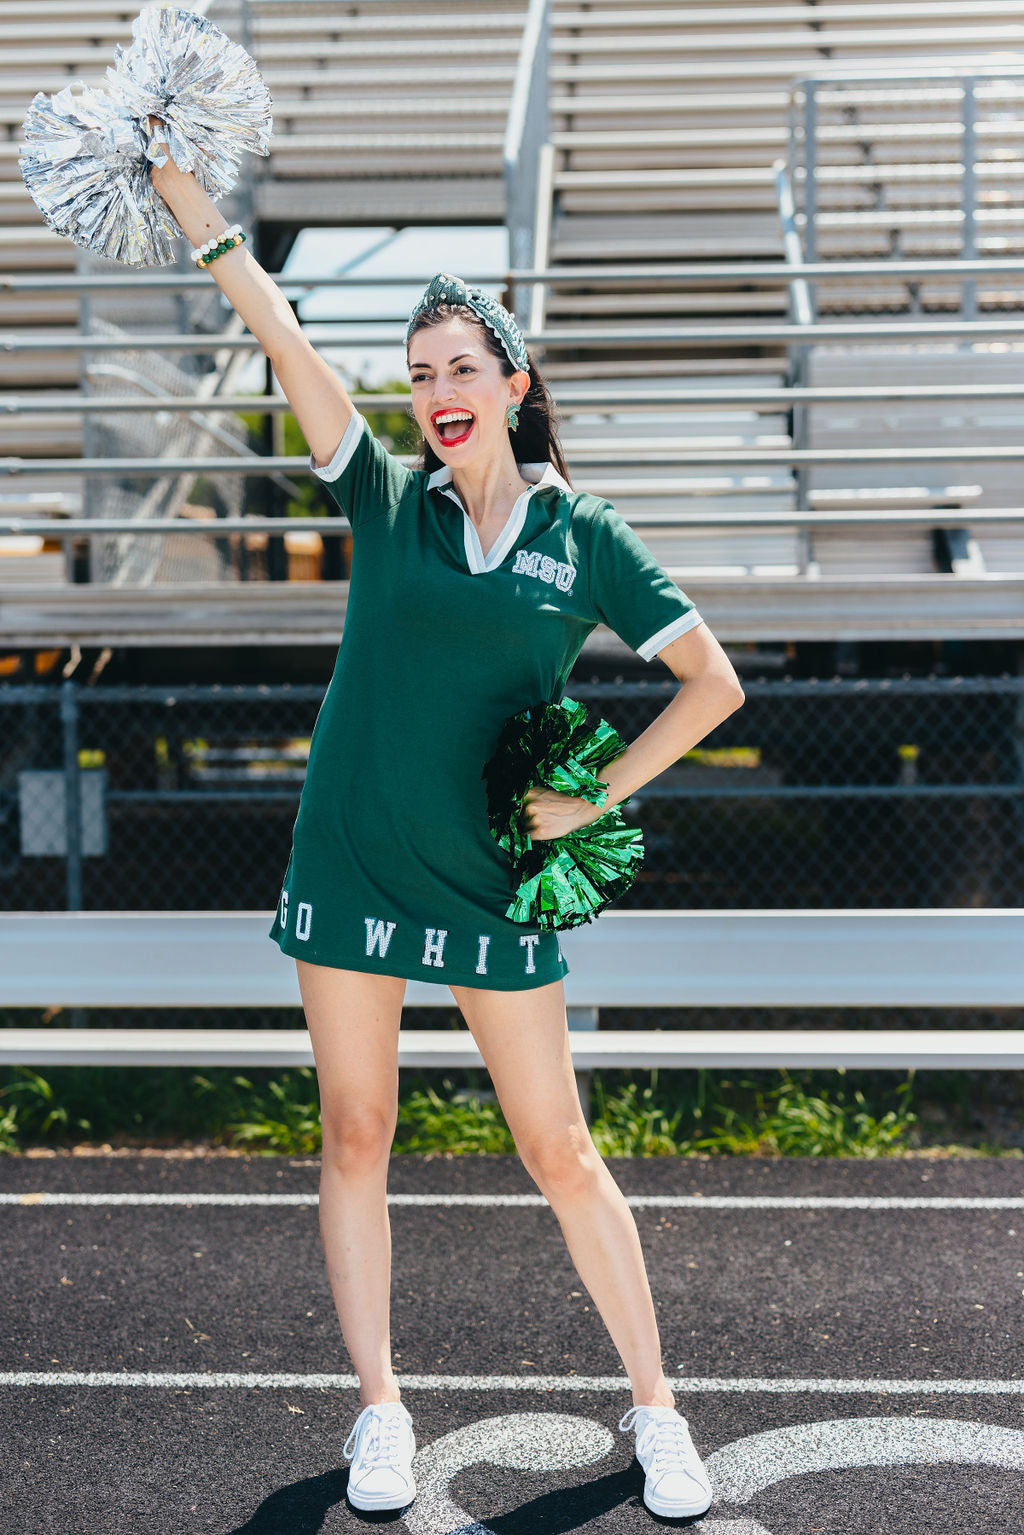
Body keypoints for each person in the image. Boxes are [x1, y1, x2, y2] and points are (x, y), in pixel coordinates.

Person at [150, 144, 745, 1521]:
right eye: (417, 377)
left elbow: (713, 681)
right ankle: (380, 1408)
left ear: (515, 384)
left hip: (493, 880)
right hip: (351, 857)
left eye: (460, 370)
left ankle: (656, 1409)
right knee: (356, 1132)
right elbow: (279, 330)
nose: (434, 397)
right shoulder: (385, 501)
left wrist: (601, 792)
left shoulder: (583, 536)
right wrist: (187, 198)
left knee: (557, 1149)